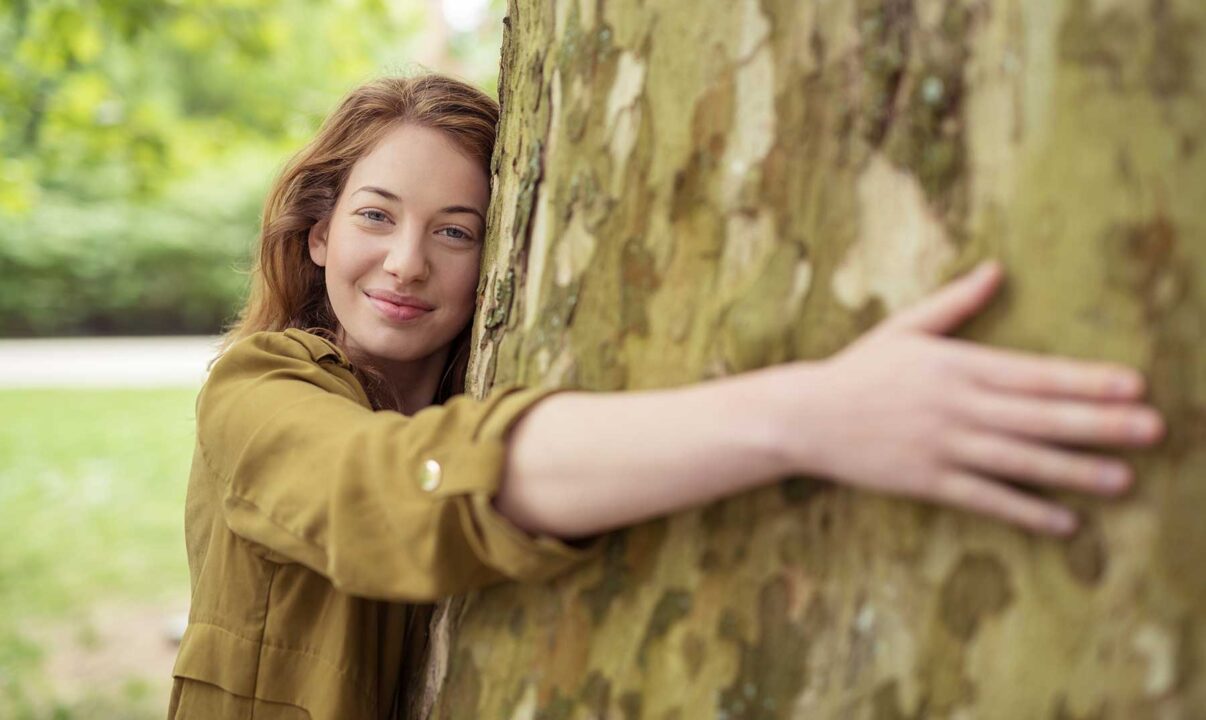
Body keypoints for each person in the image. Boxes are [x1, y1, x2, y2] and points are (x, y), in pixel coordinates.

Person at [167, 74, 1165, 719]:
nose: (406, 262)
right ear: (317, 234)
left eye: (456, 231)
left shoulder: (499, 381)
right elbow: (380, 492)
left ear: (499, 257)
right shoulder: (253, 394)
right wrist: (814, 415)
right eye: (376, 216)